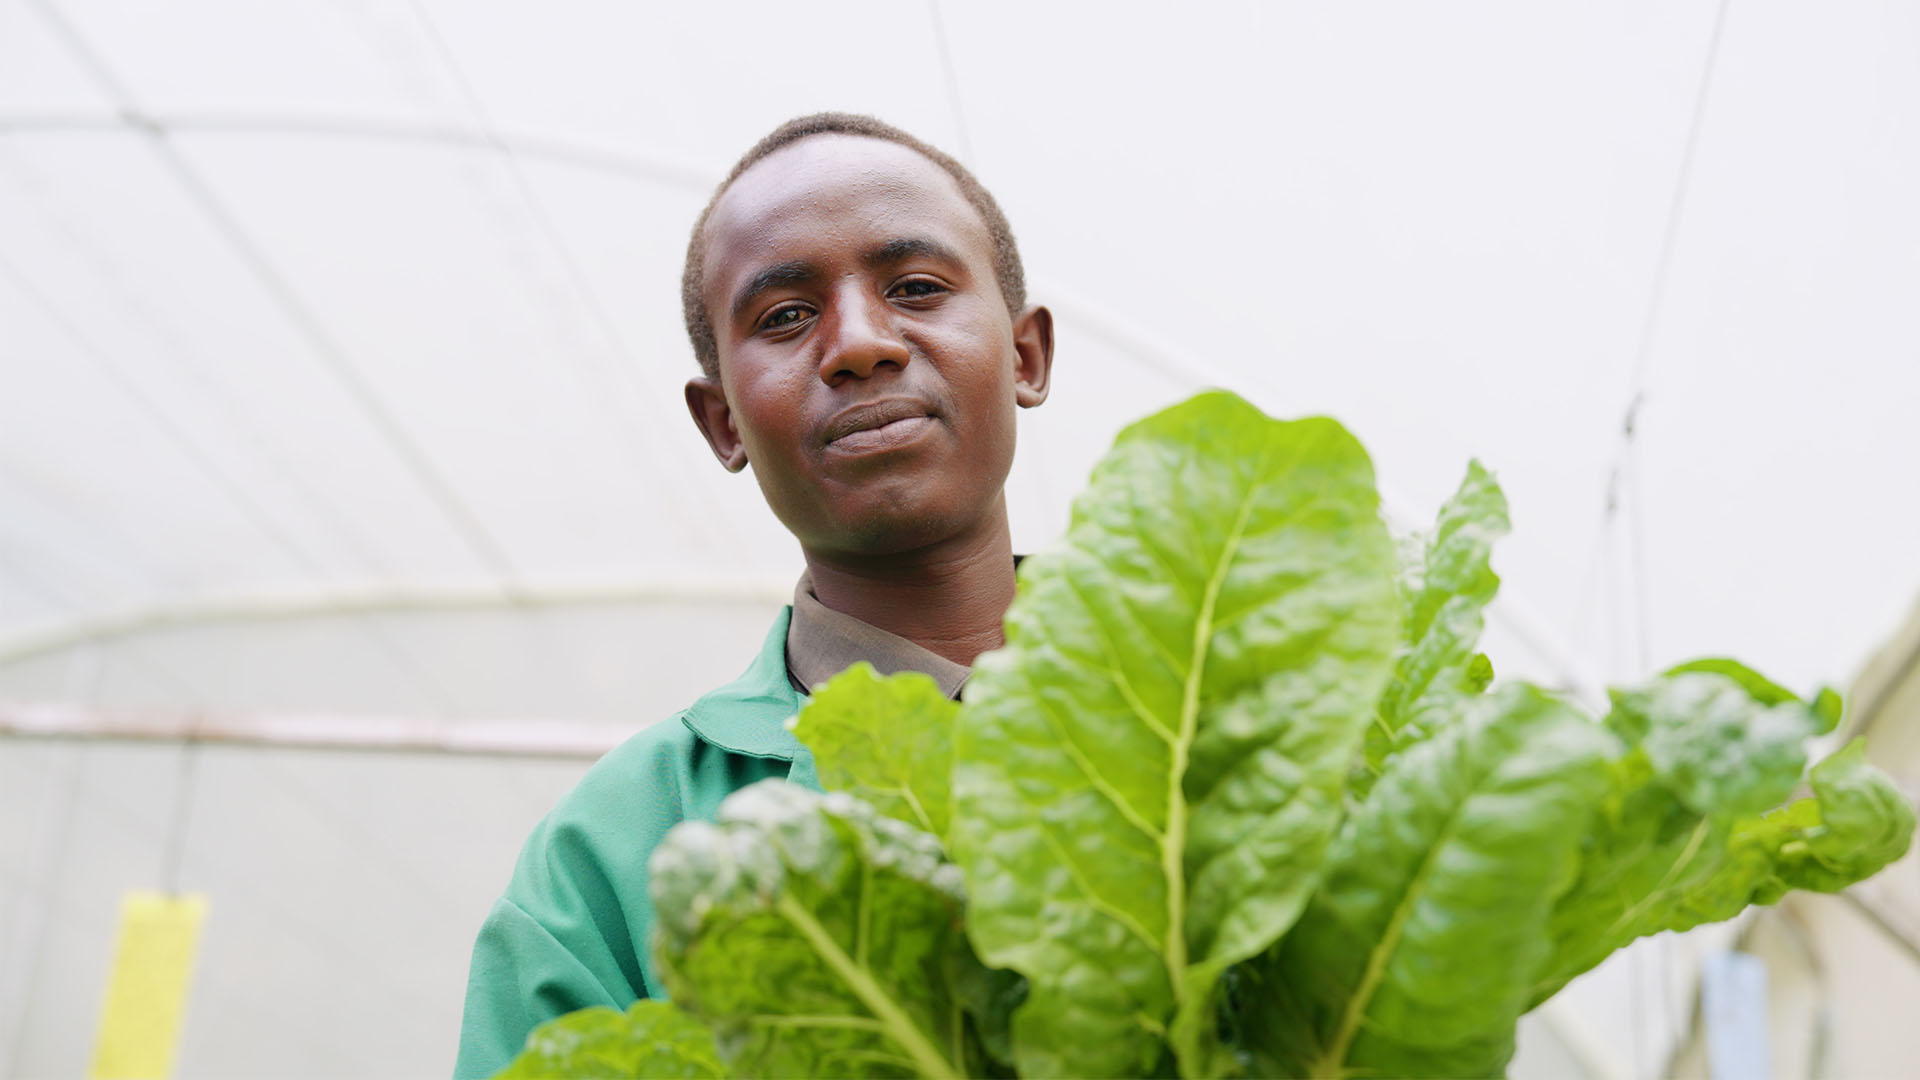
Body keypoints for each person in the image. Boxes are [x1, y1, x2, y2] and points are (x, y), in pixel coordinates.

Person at [452, 112, 1053, 1079]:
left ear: (1026, 355)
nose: (860, 344)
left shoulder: (1246, 716)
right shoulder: (610, 855)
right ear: (722, 420)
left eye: (916, 288)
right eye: (784, 316)